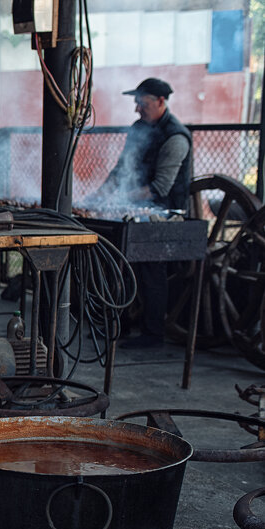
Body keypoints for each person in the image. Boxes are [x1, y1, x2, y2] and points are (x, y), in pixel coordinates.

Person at [93, 77, 192, 349]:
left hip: (166, 213)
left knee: (151, 268)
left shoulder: (176, 137)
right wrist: (97, 197)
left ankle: (152, 333)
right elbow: (120, 170)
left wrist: (119, 198)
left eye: (142, 103)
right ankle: (119, 324)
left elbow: (159, 188)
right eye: (136, 103)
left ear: (161, 102)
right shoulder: (138, 128)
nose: (137, 109)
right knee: (118, 260)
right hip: (135, 209)